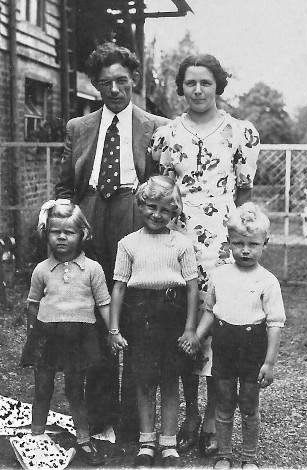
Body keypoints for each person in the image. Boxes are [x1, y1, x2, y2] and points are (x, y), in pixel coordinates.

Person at [55, 42, 169, 441]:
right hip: (89, 214)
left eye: (122, 80)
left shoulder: (157, 126)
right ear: (95, 86)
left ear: (134, 79)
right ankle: (102, 420)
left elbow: (164, 189)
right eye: (106, 83)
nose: (115, 89)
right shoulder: (78, 127)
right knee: (96, 314)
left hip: (133, 211)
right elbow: (65, 187)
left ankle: (135, 424)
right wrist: (62, 227)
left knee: (134, 314)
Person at [148, 53, 260, 456]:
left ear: (218, 86)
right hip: (177, 243)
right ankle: (189, 414)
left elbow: (244, 195)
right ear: (181, 87)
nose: (197, 90)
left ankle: (212, 419)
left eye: (206, 83)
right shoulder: (166, 134)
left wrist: (239, 241)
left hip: (221, 245)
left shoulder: (240, 133)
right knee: (184, 326)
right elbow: (158, 193)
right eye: (190, 82)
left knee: (217, 329)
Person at [108, 176, 199, 468]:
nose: (157, 215)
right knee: (144, 381)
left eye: (165, 210)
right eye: (151, 207)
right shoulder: (128, 244)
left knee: (170, 381)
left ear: (174, 213)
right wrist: (114, 328)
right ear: (140, 205)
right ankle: (146, 443)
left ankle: (168, 444)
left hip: (172, 315)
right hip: (140, 317)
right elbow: (119, 287)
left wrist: (189, 328)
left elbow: (192, 288)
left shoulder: (182, 244)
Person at [190, 202, 286, 469]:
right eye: (238, 243)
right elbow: (210, 312)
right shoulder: (219, 276)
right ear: (229, 241)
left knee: (248, 405)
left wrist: (269, 362)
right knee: (224, 403)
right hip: (224, 348)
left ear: (264, 243)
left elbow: (275, 324)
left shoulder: (267, 281)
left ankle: (249, 456)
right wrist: (197, 336)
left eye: (252, 244)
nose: (245, 250)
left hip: (252, 349)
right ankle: (224, 454)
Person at [20, 200, 111, 466]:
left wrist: (113, 331)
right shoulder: (42, 270)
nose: (61, 237)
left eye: (69, 232)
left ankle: (83, 439)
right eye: (55, 231)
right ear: (46, 233)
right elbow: (33, 305)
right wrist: (32, 335)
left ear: (83, 234)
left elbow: (104, 303)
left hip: (79, 337)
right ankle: (36, 437)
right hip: (47, 335)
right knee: (43, 388)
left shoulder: (92, 269)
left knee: (75, 391)